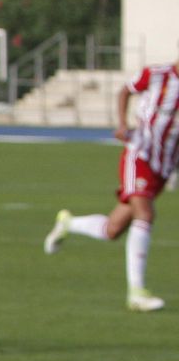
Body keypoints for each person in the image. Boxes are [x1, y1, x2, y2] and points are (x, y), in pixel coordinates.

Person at [41, 59, 179, 312]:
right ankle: (137, 293)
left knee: (113, 230)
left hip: (163, 165)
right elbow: (125, 90)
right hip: (140, 154)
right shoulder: (157, 75)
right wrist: (123, 124)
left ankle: (68, 223)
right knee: (145, 214)